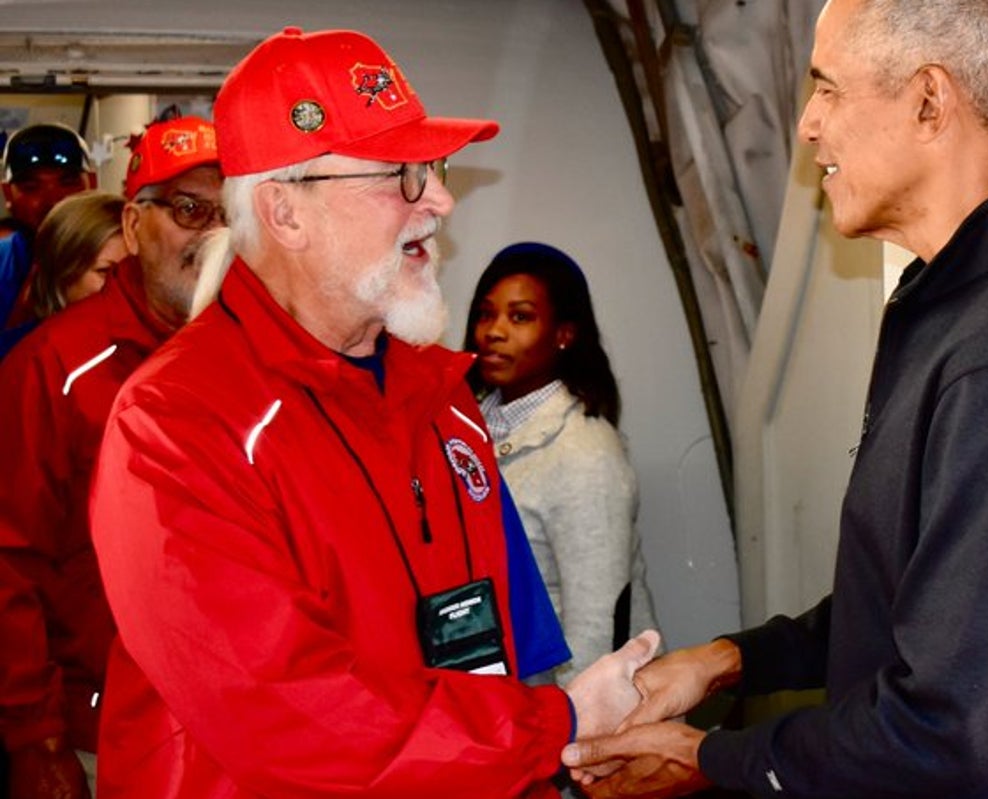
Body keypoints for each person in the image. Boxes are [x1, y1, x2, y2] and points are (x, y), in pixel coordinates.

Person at [563, 0, 988, 797]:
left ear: (930, 100)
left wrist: (707, 757)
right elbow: (923, 610)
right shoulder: (965, 303)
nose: (807, 126)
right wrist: (727, 661)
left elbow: (947, 727)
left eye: (827, 89)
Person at [87, 27, 656, 799]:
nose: (442, 201)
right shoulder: (175, 424)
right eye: (402, 174)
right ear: (284, 212)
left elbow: (498, 648)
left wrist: (540, 746)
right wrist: (549, 727)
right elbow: (284, 714)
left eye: (434, 168)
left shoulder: (444, 399)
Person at [0, 112, 222, 799]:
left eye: (228, 214)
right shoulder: (54, 364)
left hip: (230, 729)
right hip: (100, 736)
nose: (212, 235)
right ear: (132, 227)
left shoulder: (249, 358)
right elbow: (8, 558)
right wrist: (37, 738)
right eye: (189, 209)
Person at [465, 242, 659, 685]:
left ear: (564, 334)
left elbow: (596, 631)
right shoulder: (462, 426)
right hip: (500, 708)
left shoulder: (586, 454)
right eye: (485, 314)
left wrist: (576, 735)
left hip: (573, 716)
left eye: (520, 317)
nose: (494, 331)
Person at [0, 190, 127, 360]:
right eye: (106, 271)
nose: (126, 283)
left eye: (136, 270)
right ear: (62, 273)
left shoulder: (150, 349)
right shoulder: (19, 359)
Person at [0, 123, 96, 329]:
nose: (53, 200)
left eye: (68, 183)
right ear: (8, 194)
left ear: (93, 184)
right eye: (32, 187)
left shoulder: (126, 260)